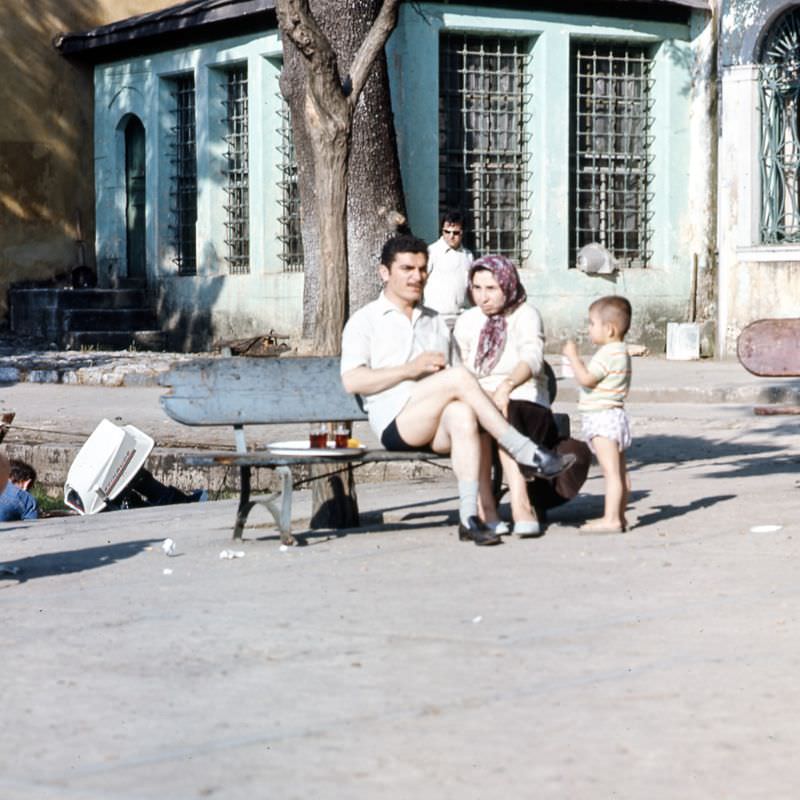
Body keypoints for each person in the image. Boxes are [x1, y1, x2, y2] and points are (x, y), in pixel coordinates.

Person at [340, 233, 575, 547]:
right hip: (396, 420)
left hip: (438, 425)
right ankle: (526, 451)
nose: (417, 277)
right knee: (460, 379)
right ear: (385, 272)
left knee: (463, 412)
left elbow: (457, 378)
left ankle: (469, 518)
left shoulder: (435, 321)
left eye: (423, 269)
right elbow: (352, 381)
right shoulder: (365, 320)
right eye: (407, 269)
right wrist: (410, 370)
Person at [454, 255, 591, 537]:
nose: (483, 297)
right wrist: (484, 394)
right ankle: (487, 508)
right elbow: (461, 367)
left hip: (523, 396)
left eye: (491, 288)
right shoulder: (467, 321)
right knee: (477, 414)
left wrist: (504, 387)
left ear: (508, 284)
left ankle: (520, 503)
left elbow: (532, 358)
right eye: (477, 288)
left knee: (503, 410)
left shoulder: (525, 314)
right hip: (481, 396)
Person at [562, 295, 633, 533]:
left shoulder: (607, 353)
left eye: (592, 324)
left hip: (602, 418)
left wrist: (573, 357)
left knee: (610, 472)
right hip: (614, 416)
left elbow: (586, 379)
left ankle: (611, 519)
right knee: (620, 471)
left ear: (610, 329)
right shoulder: (620, 351)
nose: (589, 329)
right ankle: (619, 516)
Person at [424, 209, 473, 327]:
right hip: (436, 318)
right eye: (447, 232)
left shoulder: (468, 255)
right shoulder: (432, 252)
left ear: (462, 232)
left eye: (456, 233)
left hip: (462, 319)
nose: (451, 236)